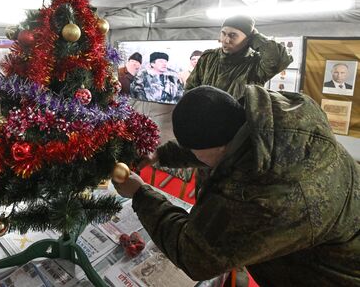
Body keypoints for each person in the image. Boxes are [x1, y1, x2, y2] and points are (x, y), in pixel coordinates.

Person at [114, 86, 360, 286]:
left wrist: (140, 194)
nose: (193, 155)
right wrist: (161, 154)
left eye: (195, 152)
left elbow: (195, 255)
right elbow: (223, 145)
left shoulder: (266, 197)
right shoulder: (271, 120)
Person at [186, 15, 293, 99]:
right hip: (205, 120)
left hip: (239, 124)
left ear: (248, 39)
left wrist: (256, 38)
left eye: (233, 35)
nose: (226, 40)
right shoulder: (208, 58)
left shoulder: (255, 64)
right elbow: (190, 89)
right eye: (223, 34)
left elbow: (279, 58)